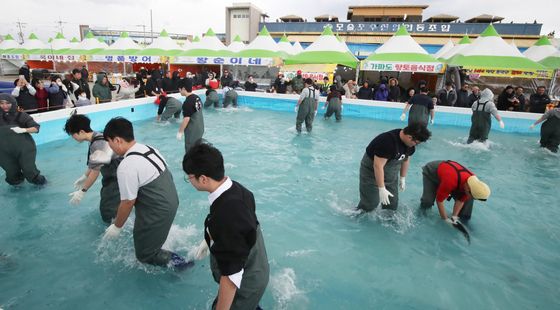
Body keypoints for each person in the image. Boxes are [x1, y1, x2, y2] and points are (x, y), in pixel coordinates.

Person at [183, 142, 269, 310]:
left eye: (189, 177)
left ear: (203, 179)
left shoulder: (228, 214)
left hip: (246, 281)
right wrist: (209, 239)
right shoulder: (236, 189)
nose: (189, 181)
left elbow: (231, 277)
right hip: (255, 264)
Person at [102, 117, 190, 268]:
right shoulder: (148, 148)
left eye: (109, 143)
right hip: (171, 200)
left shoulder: (126, 166)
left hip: (158, 209)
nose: (110, 148)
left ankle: (183, 264)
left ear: (117, 140)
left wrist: (117, 226)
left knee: (145, 255)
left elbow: (128, 202)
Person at [357, 124, 431, 212]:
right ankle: (356, 216)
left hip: (391, 171)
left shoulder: (410, 145)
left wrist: (402, 178)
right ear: (409, 137)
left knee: (392, 204)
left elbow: (406, 159)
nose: (416, 146)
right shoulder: (387, 142)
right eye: (416, 143)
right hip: (371, 171)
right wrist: (381, 188)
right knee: (370, 204)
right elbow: (378, 166)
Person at [64, 114, 121, 223]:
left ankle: (115, 228)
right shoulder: (97, 136)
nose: (73, 138)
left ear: (81, 132)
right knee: (109, 202)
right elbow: (94, 164)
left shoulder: (98, 143)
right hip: (112, 177)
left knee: (107, 211)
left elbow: (96, 172)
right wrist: (85, 176)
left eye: (73, 134)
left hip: (117, 178)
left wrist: (82, 191)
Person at [420, 160, 490, 223]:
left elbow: (461, 201)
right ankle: (421, 215)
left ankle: (464, 220)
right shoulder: (451, 181)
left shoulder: (472, 184)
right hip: (432, 172)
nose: (472, 198)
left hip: (450, 176)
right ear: (468, 190)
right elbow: (439, 200)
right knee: (427, 201)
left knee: (468, 201)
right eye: (472, 196)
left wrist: (454, 217)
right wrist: (445, 219)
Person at [0, 94, 46, 186]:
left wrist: (24, 130)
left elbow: (36, 128)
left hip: (24, 149)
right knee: (12, 174)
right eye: (1, 103)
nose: (4, 106)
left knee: (29, 171)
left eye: (8, 103)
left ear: (13, 103)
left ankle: (42, 184)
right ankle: (18, 189)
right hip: (4, 151)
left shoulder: (21, 115)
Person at [177, 79, 204, 154]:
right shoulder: (197, 97)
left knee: (190, 151)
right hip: (200, 128)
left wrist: (180, 132)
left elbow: (186, 119)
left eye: (179, 89)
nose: (179, 91)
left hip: (192, 131)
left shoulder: (187, 102)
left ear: (183, 88)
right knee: (197, 149)